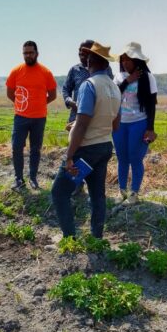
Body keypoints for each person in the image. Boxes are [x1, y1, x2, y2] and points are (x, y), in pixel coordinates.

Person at [52, 42, 121, 238]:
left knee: (59, 193)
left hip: (85, 151)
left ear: (90, 61)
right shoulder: (115, 89)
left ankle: (70, 238)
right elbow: (115, 125)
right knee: (98, 195)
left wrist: (69, 156)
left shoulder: (88, 85)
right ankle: (96, 237)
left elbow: (81, 124)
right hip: (105, 147)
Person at [6, 41, 57, 190]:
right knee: (16, 147)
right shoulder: (16, 71)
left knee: (35, 149)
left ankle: (33, 178)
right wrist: (21, 104)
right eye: (25, 53)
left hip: (39, 118)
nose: (28, 55)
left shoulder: (46, 73)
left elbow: (53, 95)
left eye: (30, 53)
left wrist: (40, 104)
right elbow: (10, 92)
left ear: (37, 53)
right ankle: (18, 179)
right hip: (21, 117)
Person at [112, 42, 158, 204]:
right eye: (122, 59)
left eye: (129, 59)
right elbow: (114, 95)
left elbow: (152, 104)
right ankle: (123, 192)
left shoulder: (148, 77)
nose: (125, 62)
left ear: (137, 60)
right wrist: (128, 81)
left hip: (139, 123)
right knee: (122, 158)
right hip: (120, 124)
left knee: (135, 158)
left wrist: (150, 128)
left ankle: (134, 193)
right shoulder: (118, 77)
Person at [62, 39, 114, 125]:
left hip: (98, 117)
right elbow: (65, 89)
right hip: (76, 117)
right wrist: (70, 102)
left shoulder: (105, 69)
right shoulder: (74, 70)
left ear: (93, 53)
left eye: (84, 50)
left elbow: (110, 88)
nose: (80, 52)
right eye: (79, 50)